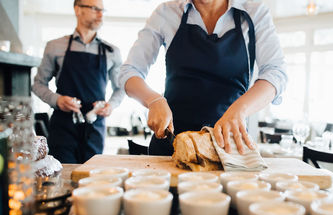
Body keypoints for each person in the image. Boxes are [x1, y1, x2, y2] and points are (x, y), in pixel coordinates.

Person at [119, 0, 287, 156]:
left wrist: (240, 110)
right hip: (172, 144)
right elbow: (130, 71)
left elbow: (275, 73)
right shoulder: (166, 12)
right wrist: (153, 100)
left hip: (228, 146)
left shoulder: (254, 12)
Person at [33, 0, 124, 163]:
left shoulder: (112, 52)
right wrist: (57, 100)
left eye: (103, 10)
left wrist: (111, 106)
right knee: (62, 177)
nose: (101, 14)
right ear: (78, 9)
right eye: (95, 9)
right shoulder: (55, 46)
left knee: (91, 179)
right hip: (63, 127)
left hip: (95, 127)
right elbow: (38, 84)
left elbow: (120, 88)